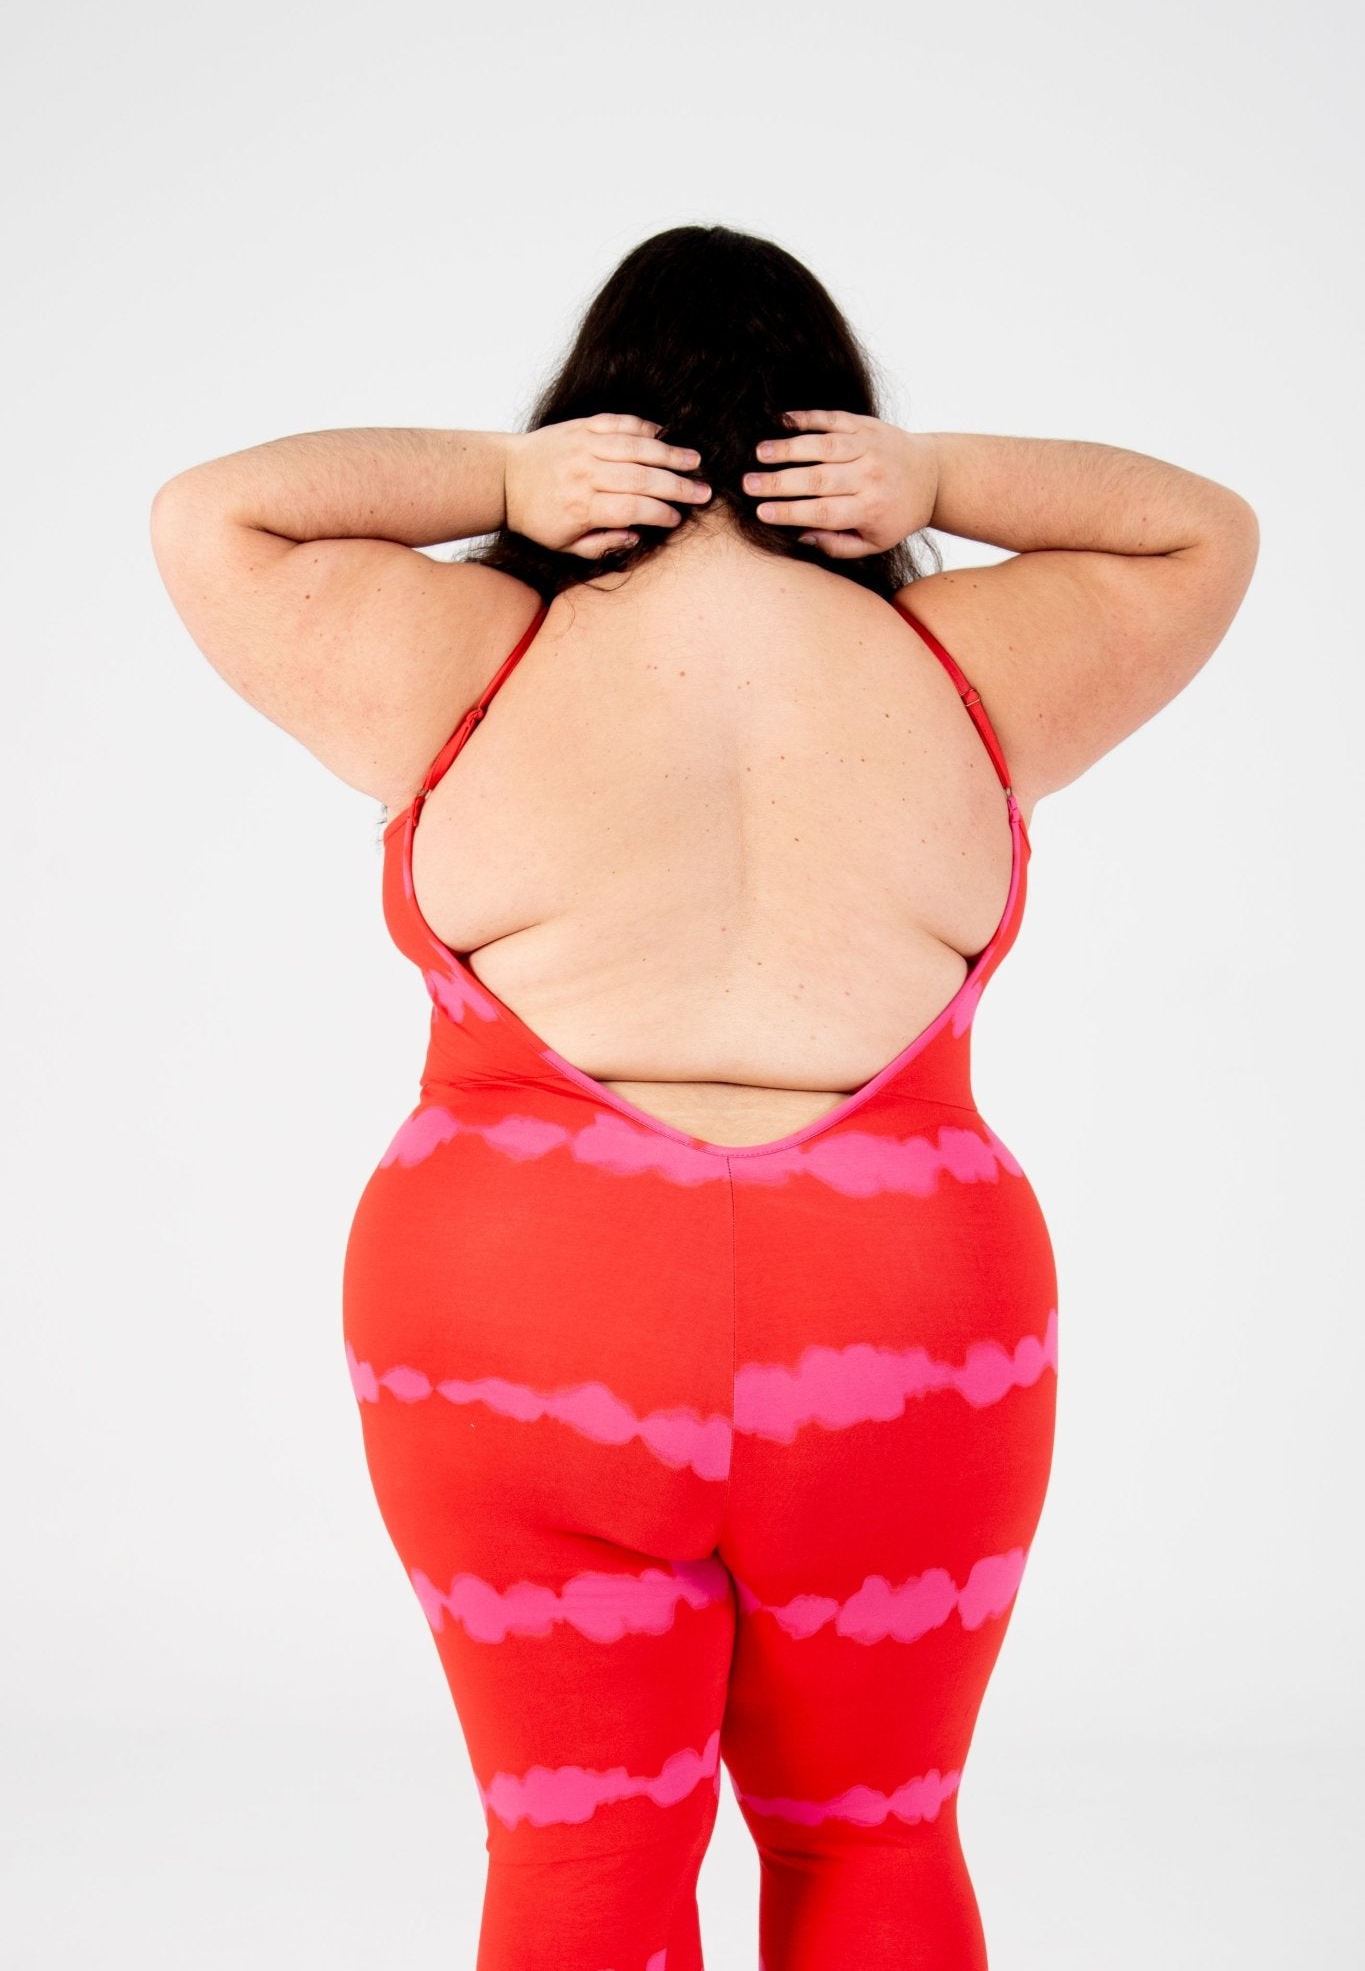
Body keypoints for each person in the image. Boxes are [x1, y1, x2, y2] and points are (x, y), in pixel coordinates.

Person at [149, 224, 1258, 1970]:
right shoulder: (973, 666)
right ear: (840, 428)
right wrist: (940, 480)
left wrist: (497, 478)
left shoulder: (464, 653)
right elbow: (1201, 529)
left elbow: (213, 513)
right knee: (877, 1835)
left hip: (521, 1305)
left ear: (592, 416)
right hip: (903, 1304)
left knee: (580, 1853)